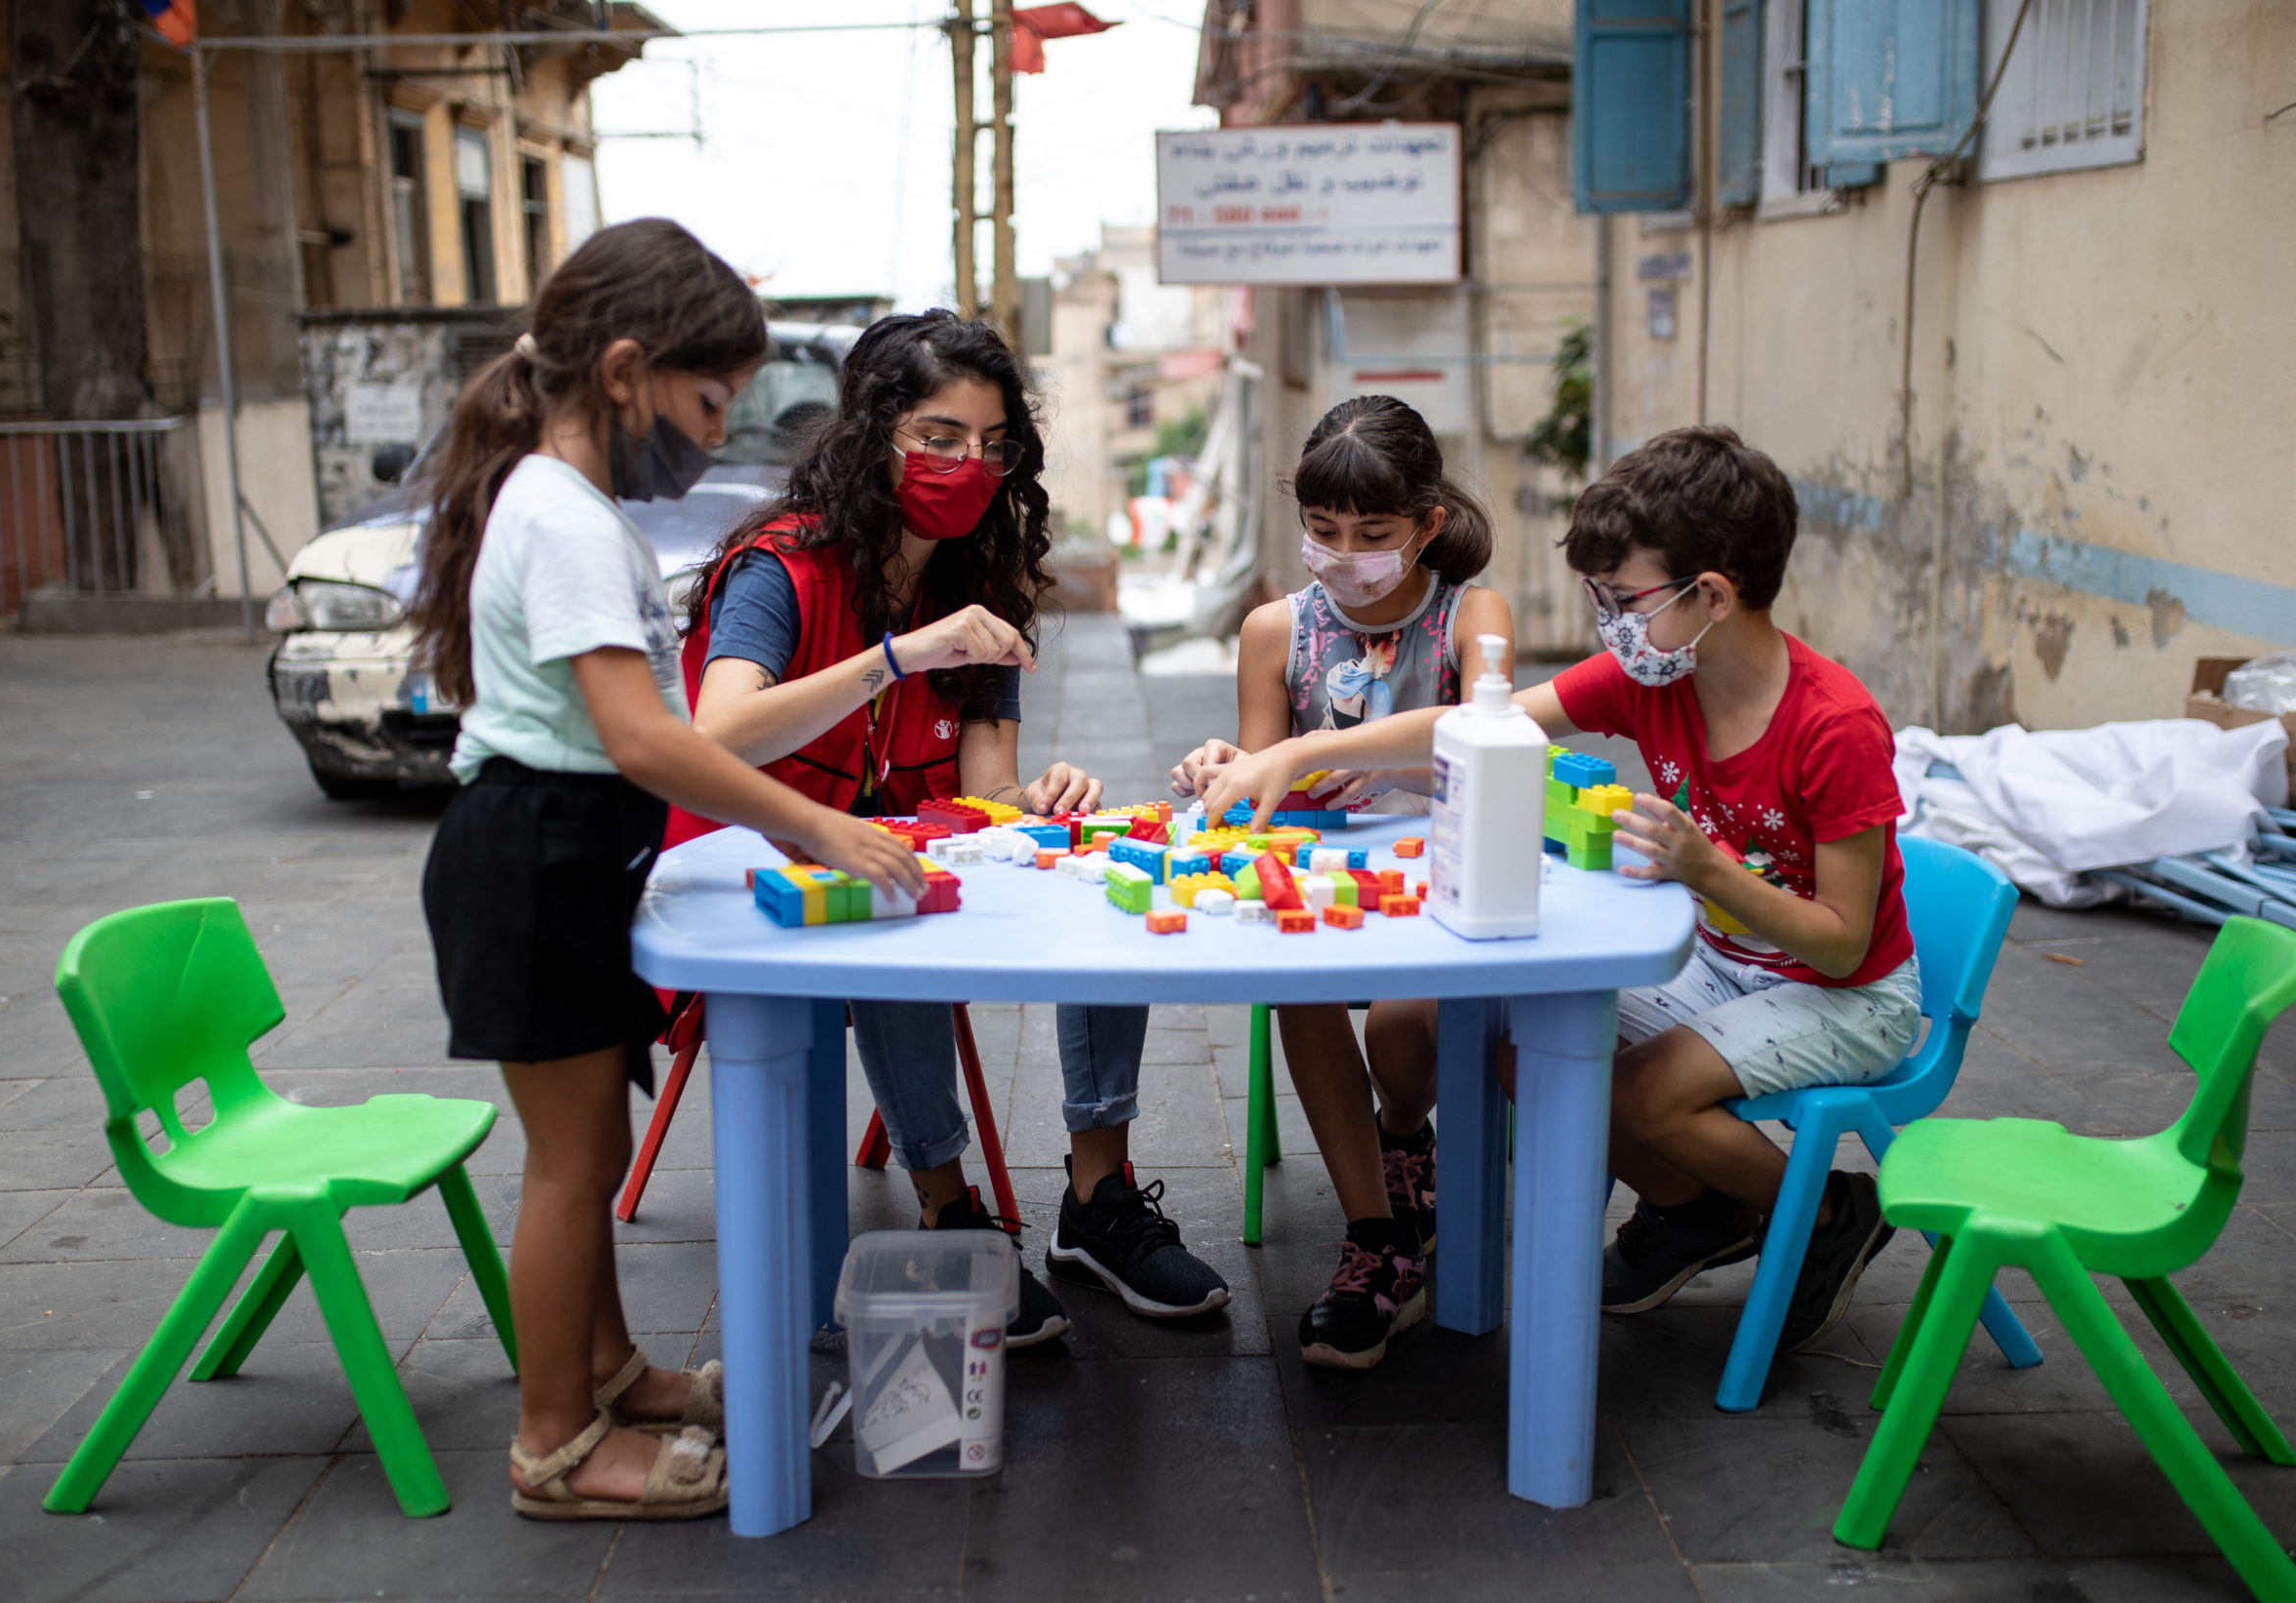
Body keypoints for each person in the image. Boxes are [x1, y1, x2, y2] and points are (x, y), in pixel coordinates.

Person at [412, 220, 930, 1520]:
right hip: (531, 856)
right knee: (572, 1167)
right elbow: (649, 736)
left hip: (564, 852)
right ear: (629, 369)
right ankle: (555, 1448)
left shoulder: (564, 501)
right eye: (710, 400)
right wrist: (810, 827)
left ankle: (608, 1370)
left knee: (587, 1148)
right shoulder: (566, 515)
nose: (716, 430)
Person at [1198, 425, 1920, 1354]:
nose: (1608, 625)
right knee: (1514, 1042)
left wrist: (1706, 869)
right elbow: (1474, 722)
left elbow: (1841, 944)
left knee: (1647, 1096)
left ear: (1711, 595)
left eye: (1623, 600)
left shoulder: (1835, 727)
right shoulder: (1652, 677)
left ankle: (1827, 1207)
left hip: (1847, 993)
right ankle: (1696, 1211)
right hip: (1736, 960)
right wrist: (1301, 750)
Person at [680, 310, 1229, 1343]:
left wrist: (1042, 803)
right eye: (937, 436)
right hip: (758, 869)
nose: (965, 463)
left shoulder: (978, 586)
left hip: (902, 852)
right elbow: (717, 737)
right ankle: (948, 1204)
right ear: (872, 431)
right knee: (889, 905)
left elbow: (985, 793)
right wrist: (896, 655)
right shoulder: (780, 568)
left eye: (989, 444)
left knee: (1102, 861)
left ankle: (1094, 1198)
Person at [1169, 395, 1511, 1370]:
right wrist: (1225, 767)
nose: (1344, 550)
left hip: (1441, 889)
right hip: (1321, 895)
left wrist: (1361, 757)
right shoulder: (1277, 629)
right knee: (1293, 984)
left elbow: (1490, 729)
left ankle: (1402, 1133)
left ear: (1427, 526)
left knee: (1401, 1031)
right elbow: (1262, 780)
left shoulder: (1469, 615)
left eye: (1374, 533)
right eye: (1322, 531)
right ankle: (1377, 1235)